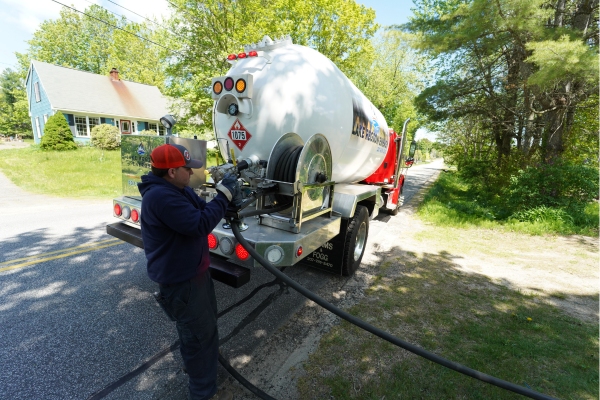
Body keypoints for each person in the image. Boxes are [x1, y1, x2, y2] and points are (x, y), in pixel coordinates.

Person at [138, 143, 237, 400]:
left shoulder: (178, 190)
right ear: (171, 171)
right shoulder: (160, 197)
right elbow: (200, 224)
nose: (192, 173)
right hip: (182, 283)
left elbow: (204, 211)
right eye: (187, 168)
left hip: (196, 275)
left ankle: (207, 371)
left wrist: (223, 198)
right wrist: (224, 196)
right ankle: (203, 392)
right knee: (197, 339)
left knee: (206, 330)